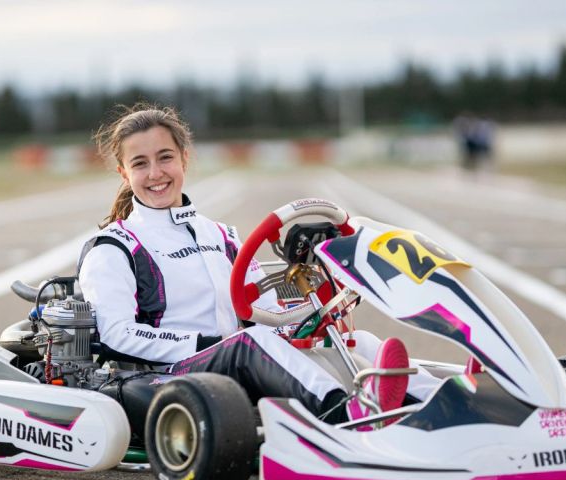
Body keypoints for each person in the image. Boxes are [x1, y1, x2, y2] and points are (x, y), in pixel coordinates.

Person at [77, 104, 421, 438]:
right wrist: (208, 343)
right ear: (124, 173)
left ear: (184, 157)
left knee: (353, 340)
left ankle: (442, 401)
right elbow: (117, 334)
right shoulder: (113, 246)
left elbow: (266, 309)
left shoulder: (221, 235)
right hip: (170, 372)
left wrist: (315, 295)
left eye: (165, 157)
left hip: (235, 356)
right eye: (140, 163)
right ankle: (346, 415)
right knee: (250, 343)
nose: (155, 173)